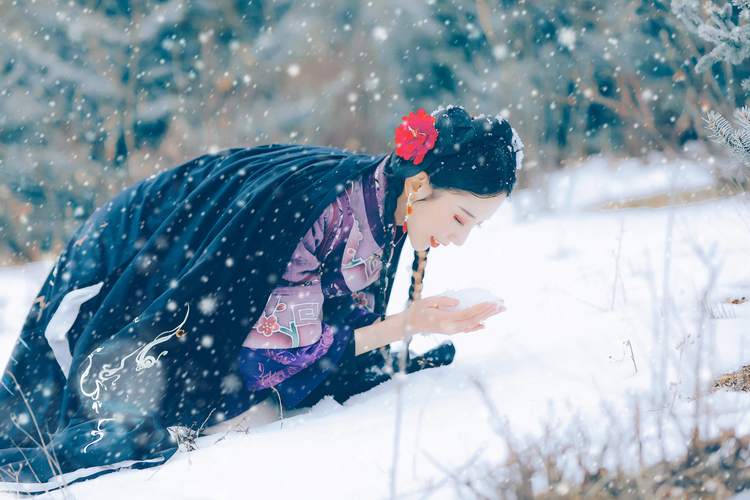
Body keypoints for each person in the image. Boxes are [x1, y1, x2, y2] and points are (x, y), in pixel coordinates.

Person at [0, 105, 522, 490]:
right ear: (422, 182)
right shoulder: (327, 209)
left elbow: (319, 325)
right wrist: (403, 325)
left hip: (171, 227)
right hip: (133, 243)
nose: (459, 239)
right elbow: (267, 358)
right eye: (460, 219)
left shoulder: (386, 196)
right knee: (140, 396)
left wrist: (393, 330)